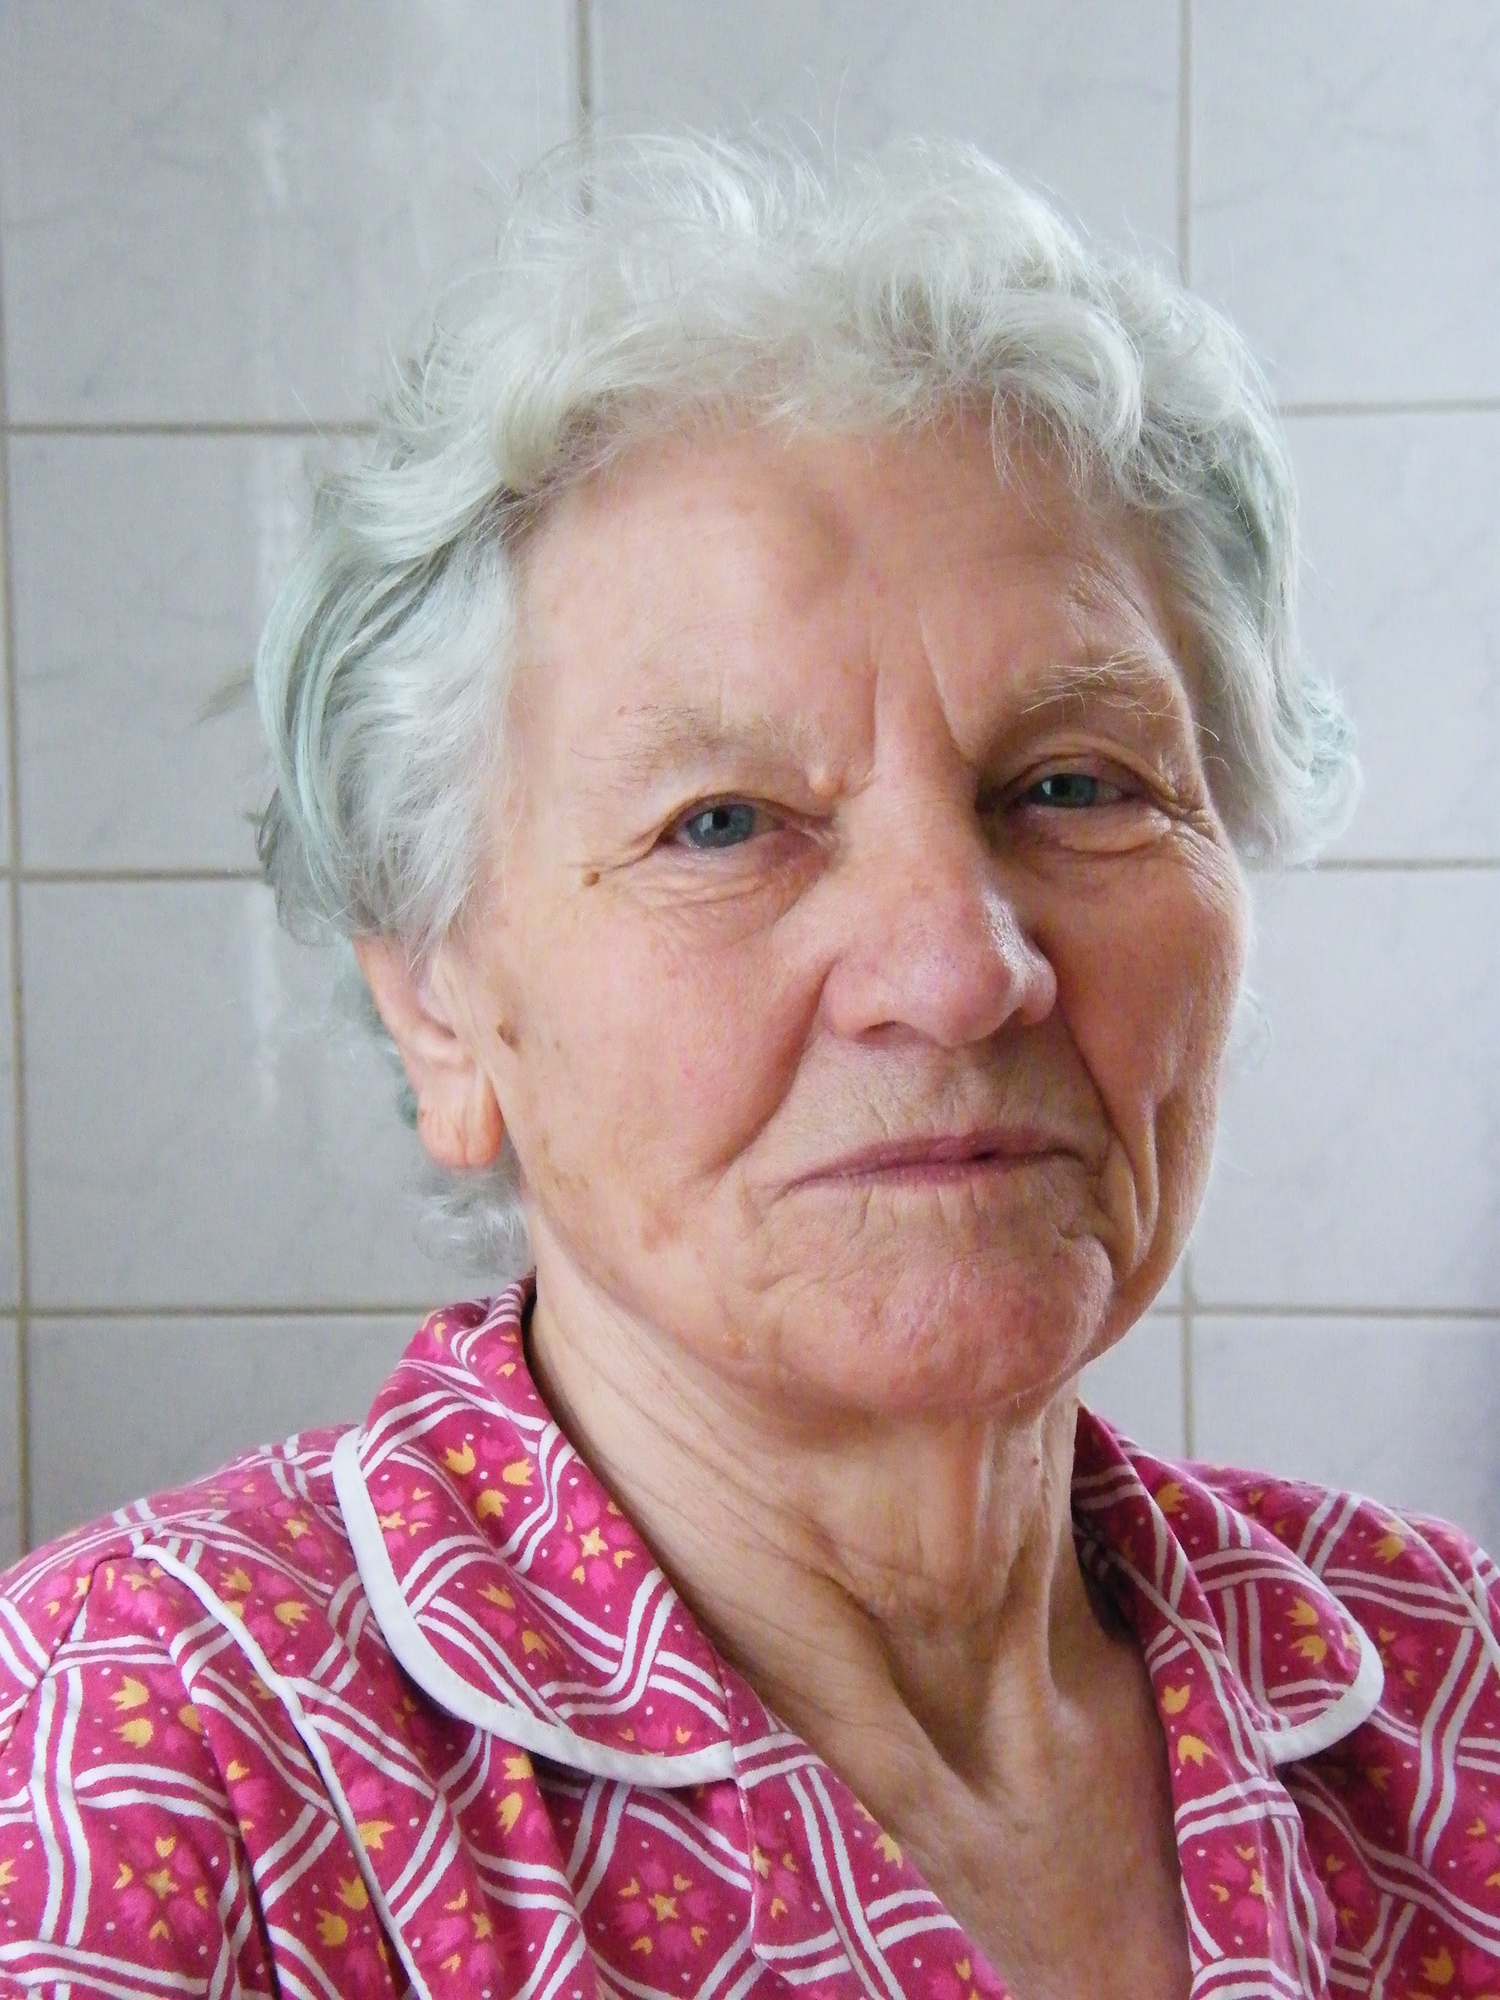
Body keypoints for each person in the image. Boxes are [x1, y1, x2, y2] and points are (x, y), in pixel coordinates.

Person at [1, 136, 1495, 2000]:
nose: (960, 970)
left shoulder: (1444, 1682)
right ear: (441, 1009)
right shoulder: (155, 1746)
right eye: (722, 823)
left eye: (1075, 785)